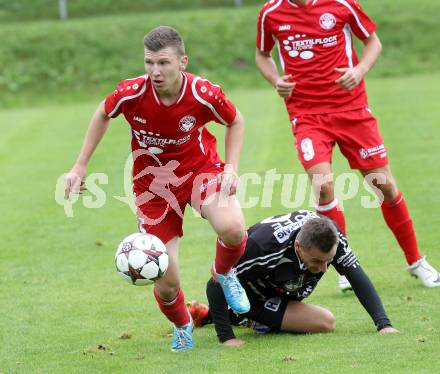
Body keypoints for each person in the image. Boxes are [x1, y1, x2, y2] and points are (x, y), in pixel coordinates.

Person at [64, 26, 250, 352]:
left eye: (163, 63)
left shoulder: (203, 93)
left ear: (182, 62)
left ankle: (223, 272)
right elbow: (103, 112)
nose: (155, 71)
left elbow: (236, 121)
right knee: (166, 282)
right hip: (154, 188)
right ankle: (182, 324)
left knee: (233, 228)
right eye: (149, 62)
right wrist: (80, 165)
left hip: (199, 171)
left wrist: (231, 168)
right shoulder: (132, 93)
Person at [254, 0, 440, 289]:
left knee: (384, 186)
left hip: (352, 111)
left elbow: (373, 41)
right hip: (307, 114)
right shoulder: (271, 12)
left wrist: (360, 69)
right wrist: (275, 79)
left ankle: (416, 261)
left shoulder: (341, 4)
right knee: (323, 185)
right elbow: (262, 55)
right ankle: (343, 264)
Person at [192, 211, 398, 346]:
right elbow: (215, 283)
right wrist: (227, 338)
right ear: (298, 247)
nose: (324, 268)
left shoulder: (332, 236)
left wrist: (384, 324)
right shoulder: (263, 248)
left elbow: (356, 275)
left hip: (280, 291)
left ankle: (239, 318)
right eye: (317, 261)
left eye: (329, 260)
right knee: (325, 320)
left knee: (325, 323)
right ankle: (229, 314)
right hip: (249, 295)